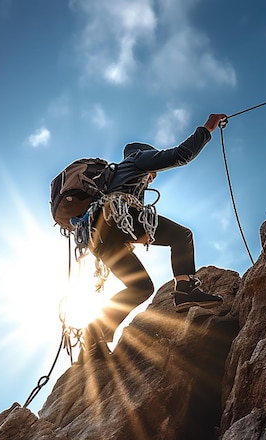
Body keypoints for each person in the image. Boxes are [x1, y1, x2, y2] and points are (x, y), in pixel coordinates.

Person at [81, 113, 228, 362]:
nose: (154, 176)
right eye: (153, 172)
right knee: (182, 235)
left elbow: (129, 227)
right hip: (118, 216)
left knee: (140, 287)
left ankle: (95, 334)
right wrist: (208, 128)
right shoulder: (138, 159)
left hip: (102, 238)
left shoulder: (118, 179)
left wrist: (137, 236)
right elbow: (181, 155)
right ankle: (185, 289)